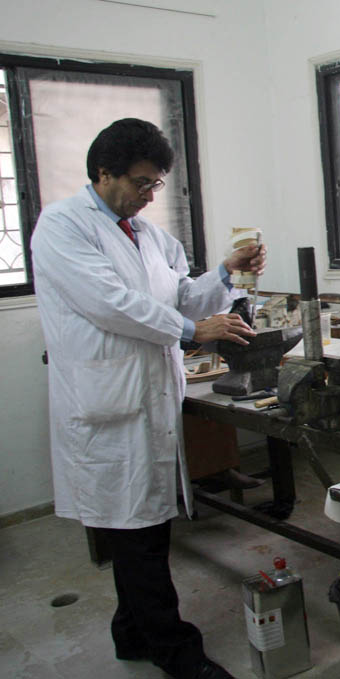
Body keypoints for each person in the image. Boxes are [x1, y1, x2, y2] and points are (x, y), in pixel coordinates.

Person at [31, 118, 264, 679]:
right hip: (107, 403)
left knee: (142, 529)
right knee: (137, 535)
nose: (148, 195)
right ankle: (176, 651)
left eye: (156, 184)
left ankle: (130, 632)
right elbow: (109, 302)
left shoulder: (153, 236)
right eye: (140, 182)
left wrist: (225, 273)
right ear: (102, 173)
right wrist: (192, 332)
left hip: (149, 398)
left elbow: (182, 295)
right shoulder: (62, 226)